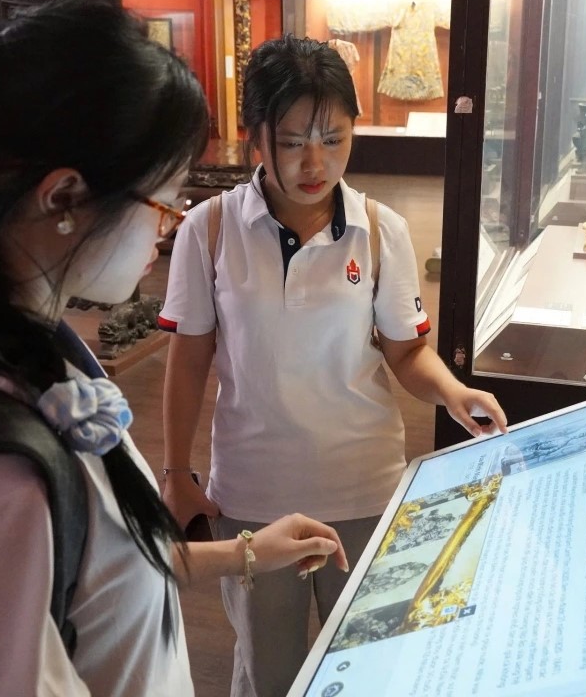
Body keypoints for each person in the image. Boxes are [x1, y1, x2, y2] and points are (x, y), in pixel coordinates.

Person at [0, 1, 348, 697]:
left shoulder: (20, 349)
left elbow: (97, 568)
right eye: (163, 201)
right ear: (64, 197)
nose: (167, 230)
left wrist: (242, 553)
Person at [158, 35, 508, 697]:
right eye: (292, 142)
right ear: (255, 138)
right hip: (254, 497)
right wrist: (177, 474)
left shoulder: (381, 229)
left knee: (370, 668)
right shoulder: (210, 229)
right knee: (271, 672)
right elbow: (189, 356)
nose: (314, 162)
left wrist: (453, 392)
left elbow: (407, 352)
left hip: (364, 489)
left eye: (333, 138)